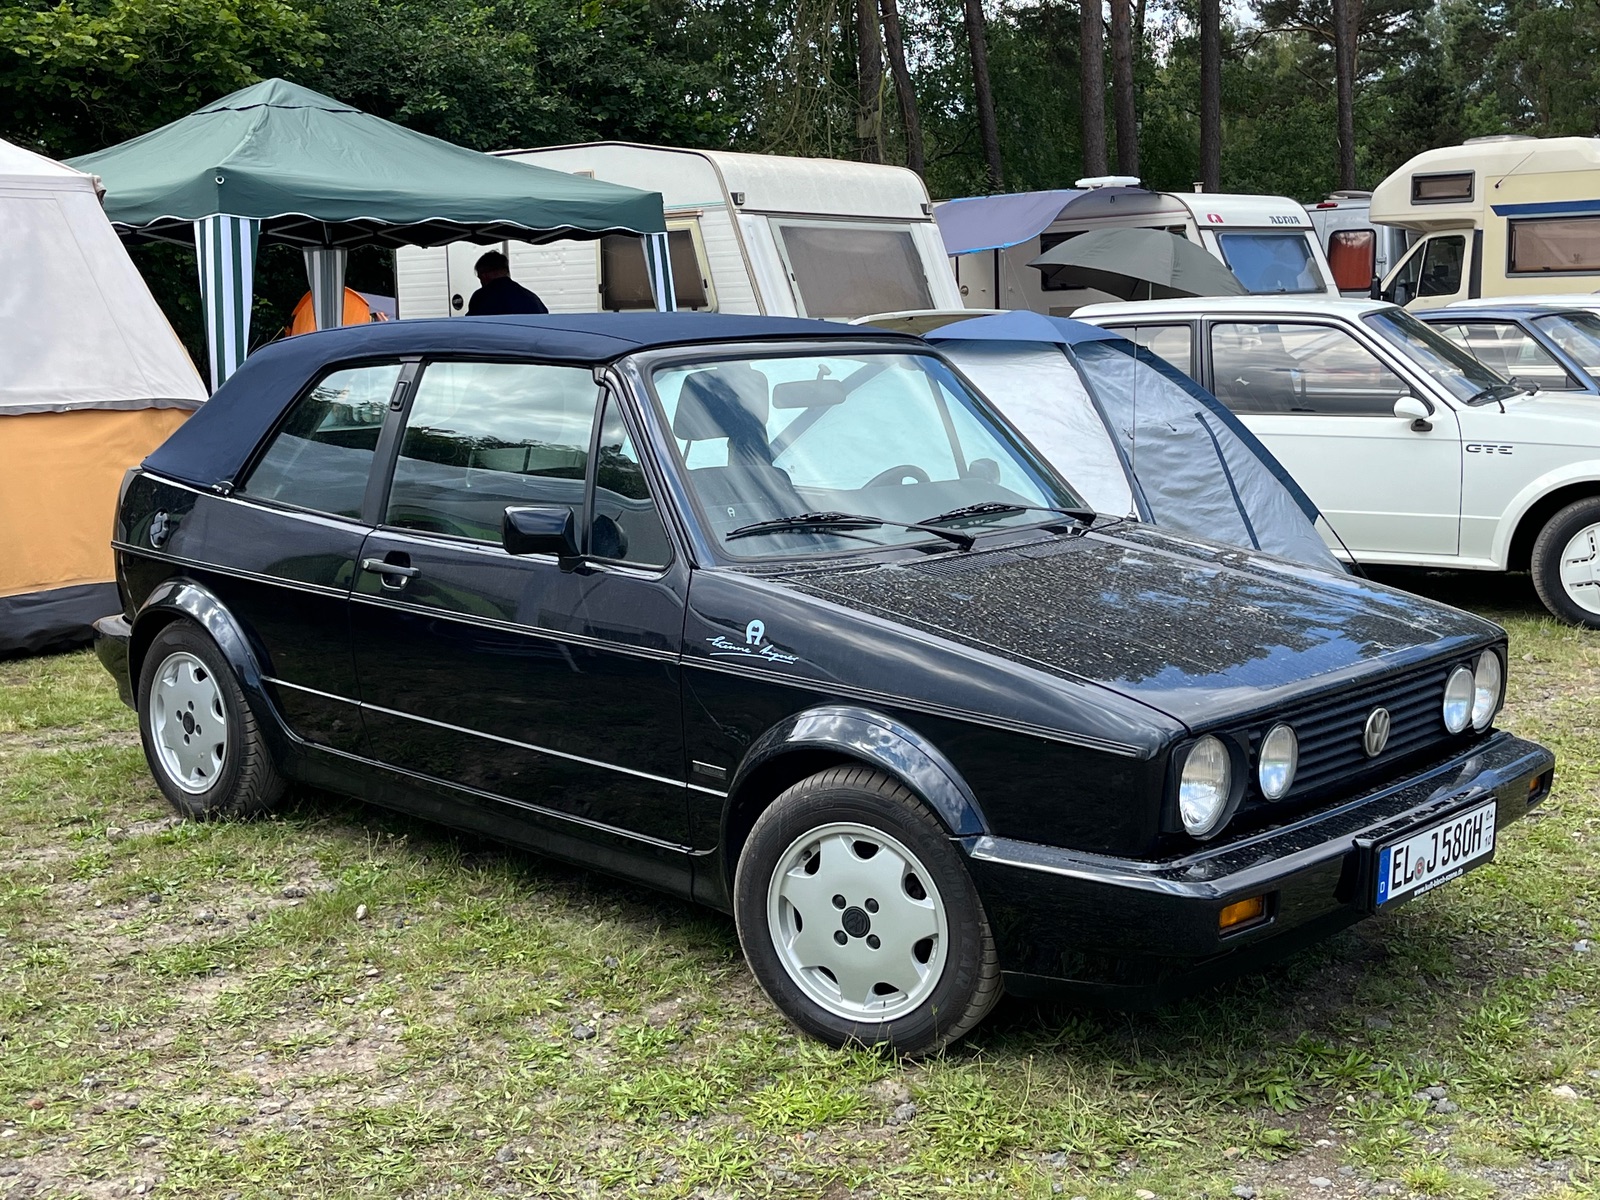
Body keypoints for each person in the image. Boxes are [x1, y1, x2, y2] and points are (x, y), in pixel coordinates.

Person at [466, 250, 549, 316]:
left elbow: (471, 326)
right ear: (506, 271)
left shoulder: (481, 297)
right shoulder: (533, 298)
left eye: (479, 277)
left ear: (483, 275)